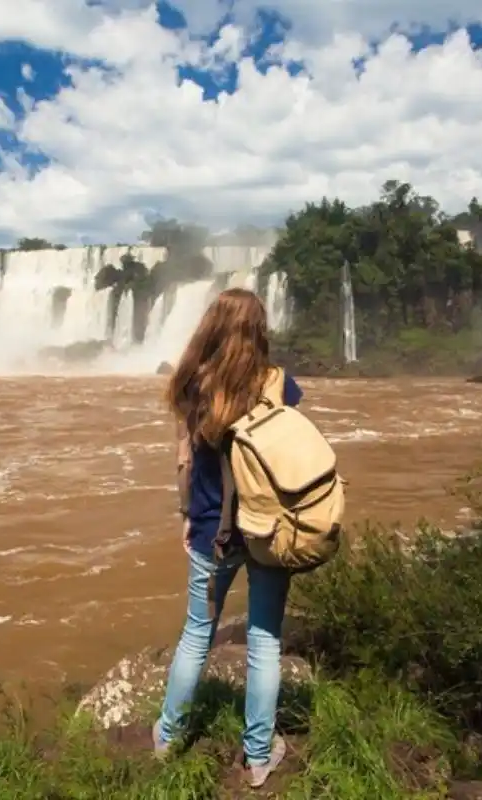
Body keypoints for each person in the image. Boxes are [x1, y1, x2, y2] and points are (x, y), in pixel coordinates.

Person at [153, 288, 303, 788]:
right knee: (264, 640)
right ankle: (258, 757)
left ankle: (168, 737)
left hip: (211, 531)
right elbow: (290, 452)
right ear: (259, 331)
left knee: (197, 633)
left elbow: (184, 461)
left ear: (211, 326)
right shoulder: (279, 383)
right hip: (267, 530)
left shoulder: (192, 384)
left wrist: (186, 514)